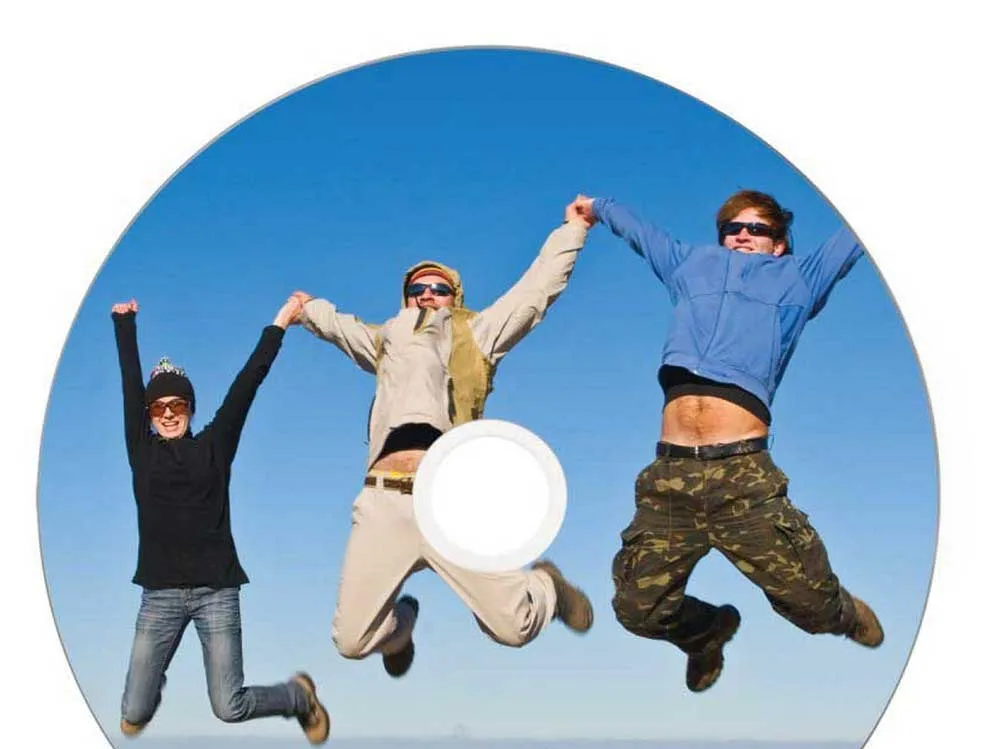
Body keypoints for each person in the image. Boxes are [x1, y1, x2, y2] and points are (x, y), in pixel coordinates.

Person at [574, 190, 884, 693]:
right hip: (670, 477)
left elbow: (857, 233)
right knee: (637, 610)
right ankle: (705, 632)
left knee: (812, 607)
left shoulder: (800, 278)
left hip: (742, 476)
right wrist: (597, 206)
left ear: (779, 243)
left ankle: (844, 614)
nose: (742, 235)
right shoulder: (689, 265)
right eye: (732, 228)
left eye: (756, 229)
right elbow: (643, 234)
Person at [292, 201, 595, 678]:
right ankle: (402, 629)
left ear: (455, 298)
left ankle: (547, 587)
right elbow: (340, 327)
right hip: (384, 499)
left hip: (449, 499)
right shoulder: (387, 341)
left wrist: (573, 229)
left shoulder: (478, 335)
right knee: (351, 640)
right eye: (417, 290)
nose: (428, 295)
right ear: (405, 301)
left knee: (513, 628)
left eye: (440, 289)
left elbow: (535, 290)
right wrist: (307, 309)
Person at [111, 296, 329, 742]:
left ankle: (298, 697)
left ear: (190, 408)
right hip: (160, 595)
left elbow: (248, 382)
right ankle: (149, 684)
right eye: (158, 407)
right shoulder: (141, 451)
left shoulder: (215, 445)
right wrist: (124, 324)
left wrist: (281, 322)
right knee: (133, 712)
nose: (167, 413)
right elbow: (130, 383)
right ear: (148, 415)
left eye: (177, 405)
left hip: (217, 592)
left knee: (229, 707)